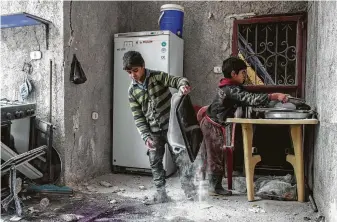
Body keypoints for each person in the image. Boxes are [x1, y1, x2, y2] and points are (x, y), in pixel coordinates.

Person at [200, 56, 288, 196]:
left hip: (214, 124)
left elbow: (246, 96)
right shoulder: (230, 89)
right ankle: (214, 188)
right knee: (215, 156)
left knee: (216, 155)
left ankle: (215, 185)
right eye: (243, 73)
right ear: (233, 74)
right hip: (212, 125)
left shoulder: (231, 86)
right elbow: (249, 98)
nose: (245, 76)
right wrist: (274, 96)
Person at [123, 50, 197, 204]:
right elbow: (138, 117)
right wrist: (145, 136)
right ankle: (161, 194)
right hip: (153, 133)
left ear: (143, 66)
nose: (133, 75)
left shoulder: (157, 76)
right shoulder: (132, 91)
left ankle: (190, 192)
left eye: (135, 70)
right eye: (129, 72)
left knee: (181, 159)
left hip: (172, 129)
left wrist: (183, 86)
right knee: (155, 162)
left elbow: (178, 80)